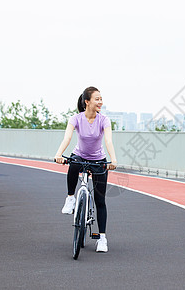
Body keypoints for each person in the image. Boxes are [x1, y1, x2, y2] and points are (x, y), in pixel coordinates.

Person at [54, 86, 117, 253]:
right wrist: (59, 154)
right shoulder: (76, 118)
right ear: (87, 102)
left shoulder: (104, 120)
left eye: (101, 99)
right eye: (97, 99)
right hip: (80, 155)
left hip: (98, 159)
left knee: (100, 200)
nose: (100, 102)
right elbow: (67, 137)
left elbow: (108, 141)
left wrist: (114, 159)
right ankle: (70, 198)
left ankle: (102, 238)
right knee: (73, 163)